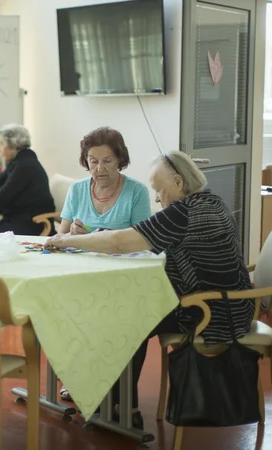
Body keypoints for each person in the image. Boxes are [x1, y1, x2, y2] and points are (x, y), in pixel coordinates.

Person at [44, 151, 254, 429]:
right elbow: (140, 235)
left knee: (128, 320)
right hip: (234, 306)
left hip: (212, 313)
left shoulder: (182, 214)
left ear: (178, 182)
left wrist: (66, 240)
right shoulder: (210, 201)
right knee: (129, 315)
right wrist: (93, 238)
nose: (156, 198)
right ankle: (114, 400)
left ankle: (119, 407)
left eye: (159, 190)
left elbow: (121, 242)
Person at [56, 126, 152, 402]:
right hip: (80, 275)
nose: (99, 168)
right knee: (59, 310)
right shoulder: (77, 190)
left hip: (121, 280)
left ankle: (107, 385)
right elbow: (61, 234)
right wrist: (72, 234)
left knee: (105, 315)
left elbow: (142, 242)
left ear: (120, 160)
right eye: (93, 161)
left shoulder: (136, 192)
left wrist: (95, 239)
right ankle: (76, 376)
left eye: (107, 161)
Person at [0, 124, 55, 236]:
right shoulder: (19, 162)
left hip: (31, 224)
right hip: (19, 220)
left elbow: (0, 199)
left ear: (14, 145)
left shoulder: (25, 166)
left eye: (1, 144)